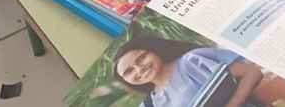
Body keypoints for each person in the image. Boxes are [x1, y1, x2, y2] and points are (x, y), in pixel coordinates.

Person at [112, 36, 265, 107]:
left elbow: (252, 72)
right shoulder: (149, 105)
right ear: (127, 81)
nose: (140, 69)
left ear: (154, 51)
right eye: (129, 71)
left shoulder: (191, 61)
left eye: (141, 58)